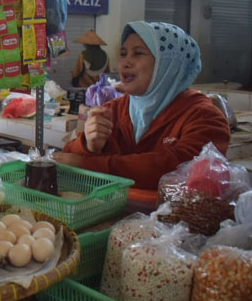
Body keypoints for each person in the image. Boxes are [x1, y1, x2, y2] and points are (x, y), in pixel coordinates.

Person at [54, 21, 231, 190]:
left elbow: (175, 169)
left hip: (170, 220)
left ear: (168, 65)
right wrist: (88, 144)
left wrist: (89, 165)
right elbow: (68, 157)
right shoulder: (113, 110)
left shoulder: (205, 116)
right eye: (123, 54)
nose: (125, 62)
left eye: (138, 53)